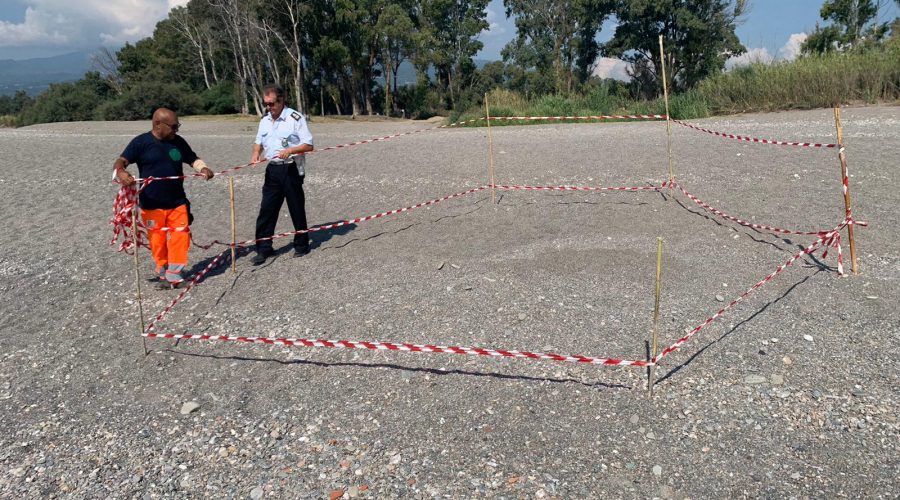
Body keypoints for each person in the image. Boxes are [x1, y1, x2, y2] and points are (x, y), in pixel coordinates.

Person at [113, 108, 215, 289]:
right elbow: (121, 161)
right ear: (158, 124)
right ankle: (162, 270)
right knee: (157, 239)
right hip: (151, 203)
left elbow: (192, 159)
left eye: (178, 126)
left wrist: (203, 168)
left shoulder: (178, 142)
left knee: (180, 235)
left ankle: (175, 274)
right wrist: (121, 172)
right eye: (173, 126)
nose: (176, 130)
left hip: (177, 201)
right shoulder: (140, 142)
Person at [250, 83, 315, 265]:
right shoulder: (264, 120)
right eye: (266, 104)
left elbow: (309, 145)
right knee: (267, 209)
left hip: (291, 168)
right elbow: (258, 142)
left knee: (296, 207)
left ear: (281, 100)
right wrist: (256, 153)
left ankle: (301, 245)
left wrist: (292, 150)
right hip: (272, 170)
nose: (269, 108)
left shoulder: (295, 118)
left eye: (272, 104)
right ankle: (264, 249)